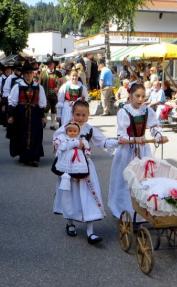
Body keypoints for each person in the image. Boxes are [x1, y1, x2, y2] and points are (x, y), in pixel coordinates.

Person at [53, 100, 118, 243]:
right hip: (68, 168)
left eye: (83, 115)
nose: (80, 118)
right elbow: (57, 139)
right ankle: (70, 223)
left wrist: (118, 141)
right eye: (77, 114)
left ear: (88, 115)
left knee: (89, 195)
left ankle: (90, 231)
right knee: (70, 195)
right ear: (72, 114)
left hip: (85, 168)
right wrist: (61, 144)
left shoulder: (90, 129)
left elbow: (103, 142)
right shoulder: (66, 128)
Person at [108, 83, 168, 219]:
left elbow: (153, 126)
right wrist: (133, 140)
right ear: (130, 96)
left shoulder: (147, 111)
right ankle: (124, 209)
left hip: (143, 148)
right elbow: (121, 135)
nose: (140, 99)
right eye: (137, 96)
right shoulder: (124, 111)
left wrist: (159, 136)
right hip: (127, 150)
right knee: (126, 180)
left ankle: (143, 210)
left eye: (143, 96)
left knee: (144, 178)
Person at [7, 61, 47, 167]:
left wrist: (43, 116)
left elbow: (42, 103)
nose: (28, 75)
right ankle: (24, 156)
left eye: (30, 73)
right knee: (21, 135)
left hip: (35, 114)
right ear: (23, 74)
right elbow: (12, 101)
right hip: (21, 114)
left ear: (33, 74)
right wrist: (11, 115)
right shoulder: (18, 86)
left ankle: (34, 157)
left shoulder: (38, 87)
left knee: (35, 135)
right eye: (26, 73)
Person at [40, 55, 62, 130]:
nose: (50, 65)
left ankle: (52, 124)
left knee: (54, 109)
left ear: (54, 64)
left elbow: (62, 83)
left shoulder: (58, 73)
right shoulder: (43, 73)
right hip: (45, 94)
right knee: (46, 108)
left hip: (55, 95)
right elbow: (40, 84)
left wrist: (58, 88)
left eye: (51, 64)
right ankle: (44, 121)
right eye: (48, 64)